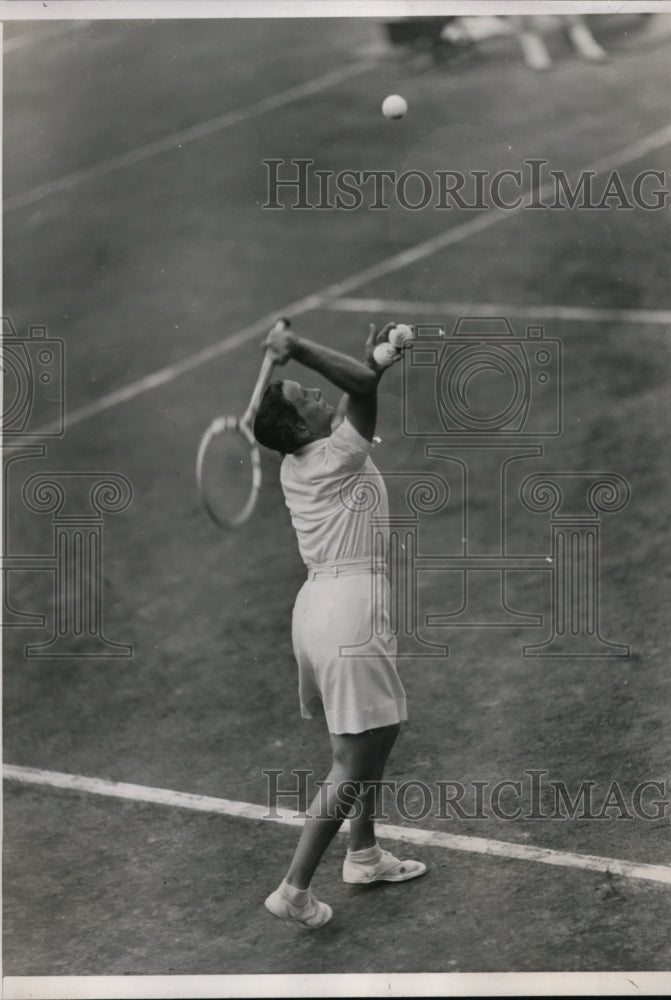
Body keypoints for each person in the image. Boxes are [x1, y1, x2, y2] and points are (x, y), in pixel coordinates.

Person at [253, 321, 427, 930]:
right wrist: (298, 350)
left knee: (378, 735)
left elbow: (358, 384)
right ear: (301, 428)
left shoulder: (300, 460)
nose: (321, 396)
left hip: (323, 609)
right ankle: (294, 889)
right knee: (351, 760)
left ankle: (365, 853)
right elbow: (358, 387)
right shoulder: (339, 454)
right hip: (348, 613)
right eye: (308, 397)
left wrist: (379, 354)